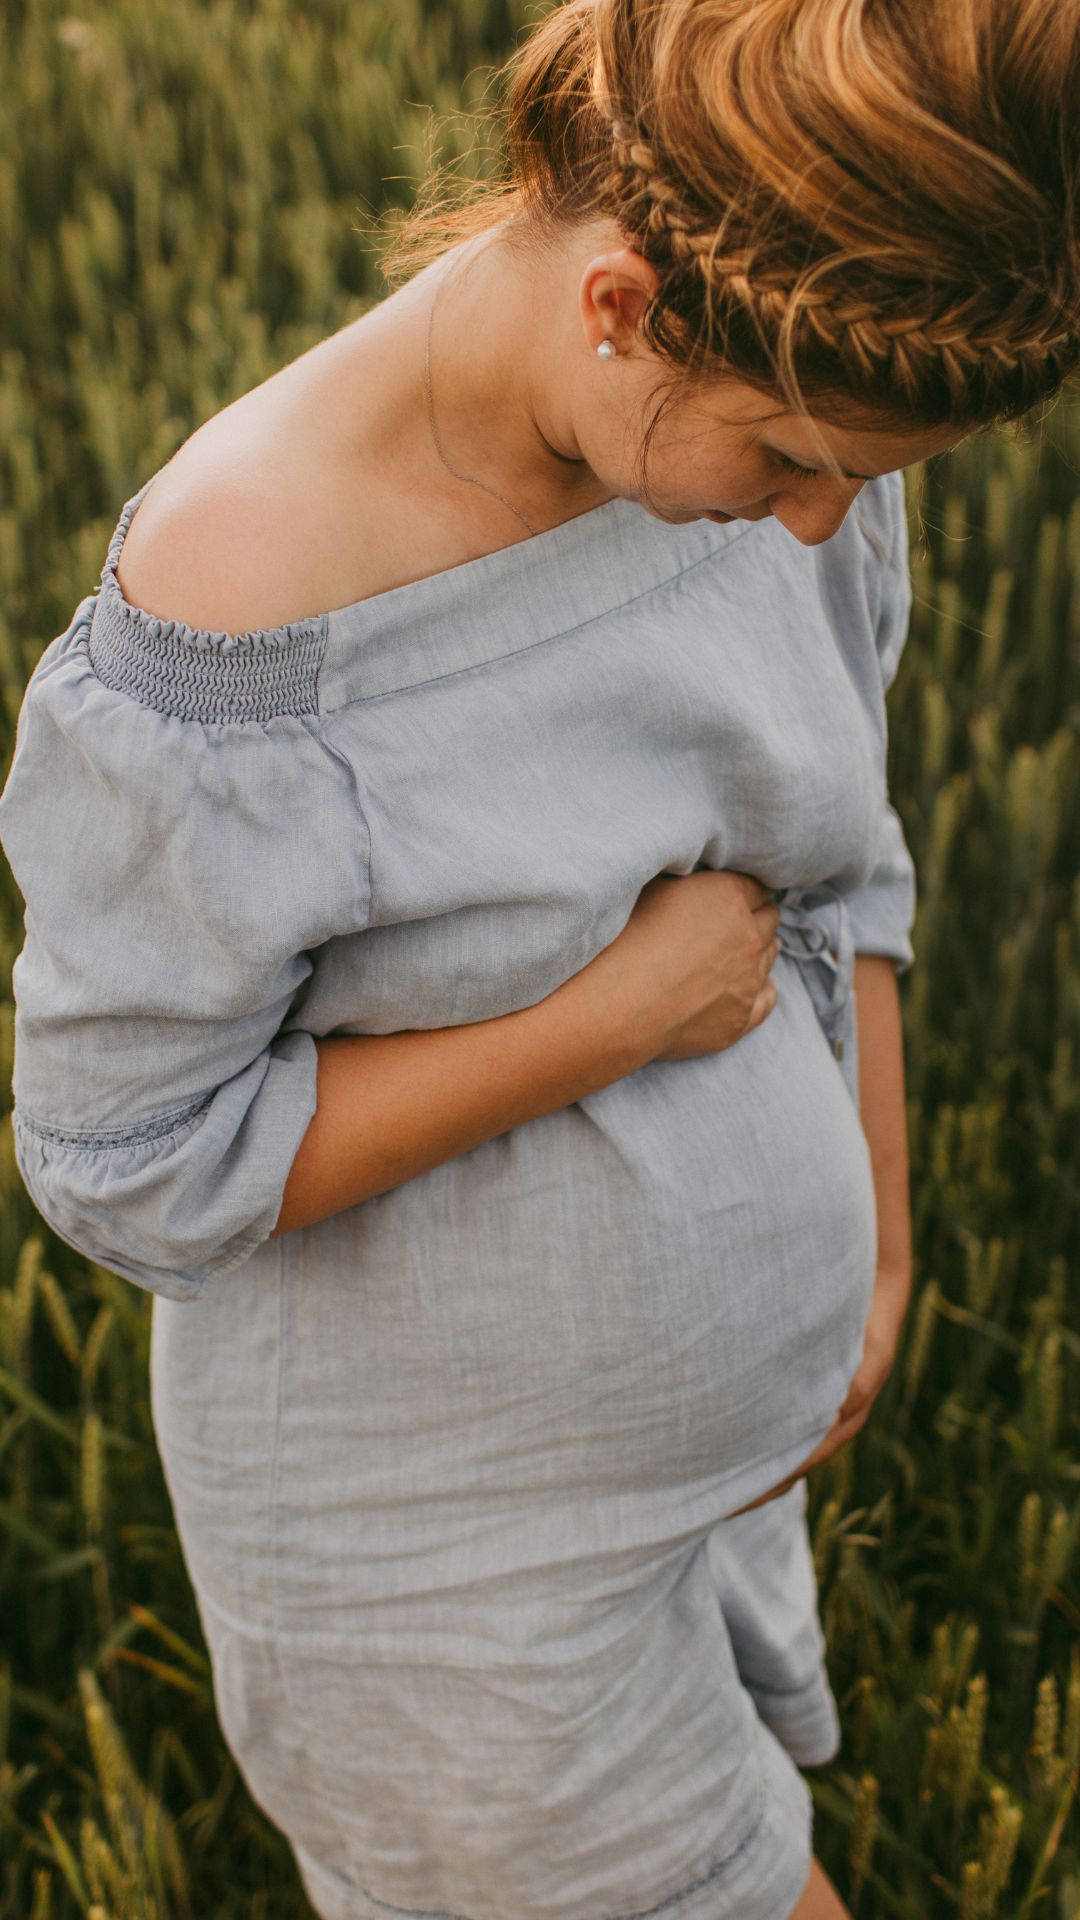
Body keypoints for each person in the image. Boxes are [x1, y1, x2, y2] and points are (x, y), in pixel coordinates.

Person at [1, 0, 1076, 1913]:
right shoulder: (247, 602)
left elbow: (845, 841)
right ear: (623, 308)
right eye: (793, 463)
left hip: (710, 1501)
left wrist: (882, 1236)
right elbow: (130, 1162)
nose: (825, 521)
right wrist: (614, 1016)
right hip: (445, 1577)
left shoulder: (773, 394)